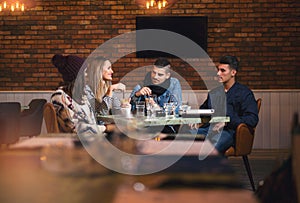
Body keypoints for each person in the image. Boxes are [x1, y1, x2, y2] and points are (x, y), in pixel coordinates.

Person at [192, 55, 259, 154]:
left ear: (233, 72)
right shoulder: (214, 93)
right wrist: (194, 119)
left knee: (210, 147)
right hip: (209, 129)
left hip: (229, 132)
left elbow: (252, 119)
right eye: (218, 70)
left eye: (222, 70)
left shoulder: (244, 93)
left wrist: (227, 121)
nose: (218, 73)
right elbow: (203, 110)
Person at [51, 54, 106, 136]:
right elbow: (75, 128)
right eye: (85, 72)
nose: (87, 75)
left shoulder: (82, 96)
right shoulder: (59, 97)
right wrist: (106, 128)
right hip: (78, 144)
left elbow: (93, 121)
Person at [130, 57, 182, 133]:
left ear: (167, 75)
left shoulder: (174, 83)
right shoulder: (141, 86)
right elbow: (128, 109)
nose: (155, 77)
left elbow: (176, 110)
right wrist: (137, 95)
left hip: (166, 126)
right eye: (153, 72)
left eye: (160, 74)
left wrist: (157, 108)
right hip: (144, 126)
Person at [84, 56, 128, 124]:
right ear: (99, 70)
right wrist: (110, 90)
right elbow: (99, 116)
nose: (112, 71)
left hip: (105, 128)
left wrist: (124, 108)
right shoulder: (86, 90)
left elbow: (117, 112)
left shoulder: (108, 89)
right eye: (108, 68)